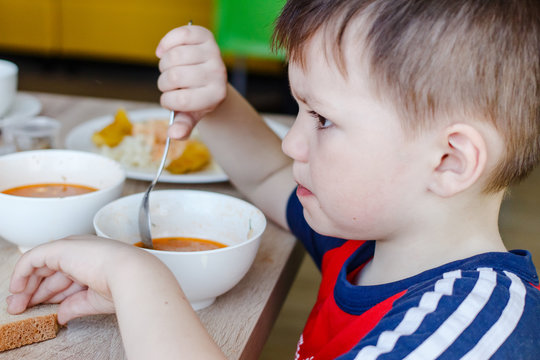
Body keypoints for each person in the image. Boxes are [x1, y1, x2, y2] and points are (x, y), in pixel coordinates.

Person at [7, 0, 540, 358]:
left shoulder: (469, 332)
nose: (291, 142)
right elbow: (266, 173)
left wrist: (137, 277)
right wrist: (214, 104)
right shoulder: (366, 240)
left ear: (448, 160)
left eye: (323, 119)